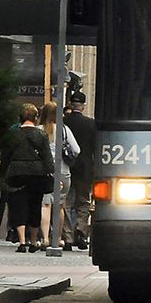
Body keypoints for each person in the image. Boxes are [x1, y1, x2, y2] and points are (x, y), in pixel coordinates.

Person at [0, 103, 53, 253]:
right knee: (35, 204)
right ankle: (34, 241)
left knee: (18, 205)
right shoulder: (41, 135)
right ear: (35, 118)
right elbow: (47, 157)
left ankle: (22, 241)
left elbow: (6, 156)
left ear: (20, 118)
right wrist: (51, 172)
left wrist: (2, 174)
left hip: (16, 172)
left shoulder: (13, 134)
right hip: (37, 173)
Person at [63, 81, 96, 251]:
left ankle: (67, 237)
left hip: (66, 166)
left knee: (66, 202)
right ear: (83, 106)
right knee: (83, 202)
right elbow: (95, 149)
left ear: (70, 103)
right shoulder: (91, 124)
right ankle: (80, 231)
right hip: (85, 168)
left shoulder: (63, 122)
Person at [40, 101, 79, 249]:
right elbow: (76, 149)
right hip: (63, 171)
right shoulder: (64, 130)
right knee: (60, 205)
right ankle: (57, 237)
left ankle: (44, 238)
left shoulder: (40, 129)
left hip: (45, 172)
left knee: (45, 205)